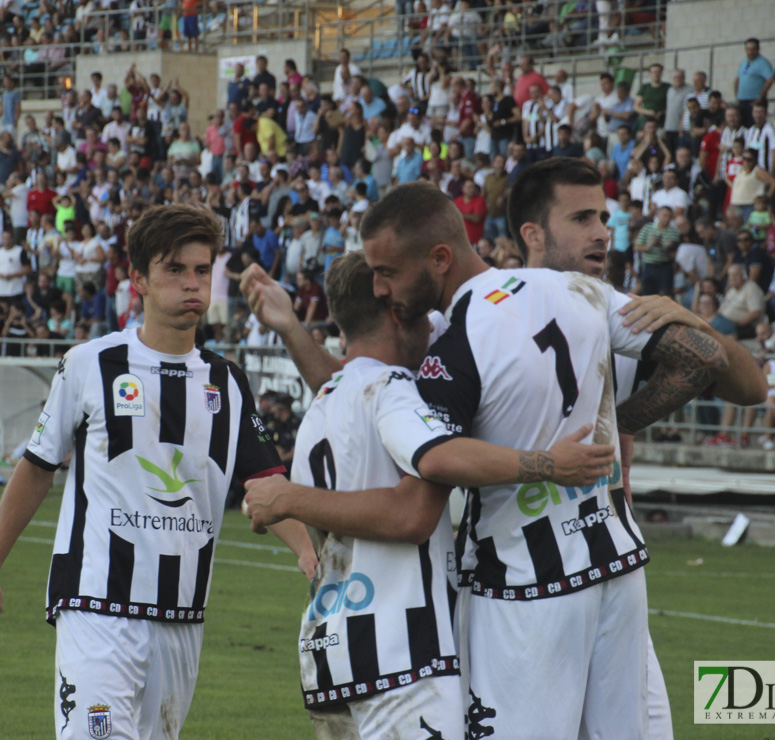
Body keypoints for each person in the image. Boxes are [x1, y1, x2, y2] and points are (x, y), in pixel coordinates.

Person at [244, 168, 733, 737]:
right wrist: (614, 422)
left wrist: (289, 494)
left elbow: (407, 463)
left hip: (509, 586)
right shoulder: (575, 293)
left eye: (388, 274)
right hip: (612, 560)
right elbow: (712, 363)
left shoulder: (413, 366)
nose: (385, 289)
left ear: (438, 260)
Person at [0, 205, 315, 739]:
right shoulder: (89, 364)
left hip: (182, 619)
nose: (191, 284)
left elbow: (269, 485)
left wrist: (309, 553)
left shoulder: (229, 382)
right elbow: (36, 470)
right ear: (138, 281)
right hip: (96, 608)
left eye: (201, 270)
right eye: (174, 270)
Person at [247, 251, 616, 740]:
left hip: (332, 650)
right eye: (424, 315)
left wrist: (292, 329)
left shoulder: (328, 396)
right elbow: (412, 510)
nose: (435, 330)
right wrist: (548, 464)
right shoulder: (397, 391)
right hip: (403, 657)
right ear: (397, 311)